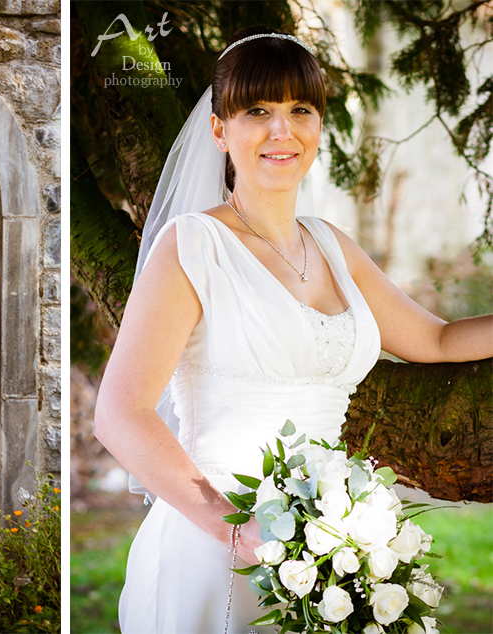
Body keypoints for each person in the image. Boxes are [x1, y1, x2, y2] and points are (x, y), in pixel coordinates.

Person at [93, 26, 493, 634]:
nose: (282, 131)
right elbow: (120, 414)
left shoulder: (334, 246)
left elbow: (436, 341)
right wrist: (238, 529)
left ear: (317, 127)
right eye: (258, 110)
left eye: (299, 110)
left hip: (332, 549)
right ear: (220, 130)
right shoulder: (194, 245)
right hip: (217, 544)